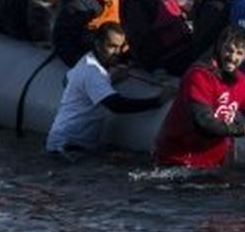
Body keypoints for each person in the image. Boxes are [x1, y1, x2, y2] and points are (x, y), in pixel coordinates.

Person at [153, 25, 245, 169]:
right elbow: (203, 122)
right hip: (177, 163)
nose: (232, 57)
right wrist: (242, 129)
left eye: (239, 53)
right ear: (219, 47)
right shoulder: (199, 76)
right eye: (229, 50)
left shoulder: (241, 81)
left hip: (212, 166)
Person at [45, 23, 171, 158]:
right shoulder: (93, 71)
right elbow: (117, 106)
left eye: (120, 47)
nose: (117, 53)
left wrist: (109, 79)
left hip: (66, 144)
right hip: (69, 147)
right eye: (111, 46)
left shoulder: (86, 60)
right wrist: (158, 101)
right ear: (98, 43)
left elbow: (67, 81)